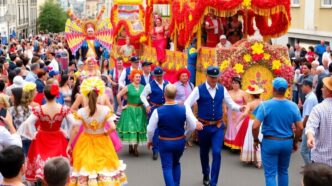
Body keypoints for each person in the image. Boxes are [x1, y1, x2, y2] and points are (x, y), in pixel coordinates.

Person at [184, 66, 245, 186]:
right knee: (204, 152)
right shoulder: (199, 89)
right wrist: (194, 121)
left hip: (217, 127)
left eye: (216, 77)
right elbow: (186, 104)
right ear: (206, 76)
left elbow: (231, 104)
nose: (214, 80)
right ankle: (206, 173)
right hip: (204, 127)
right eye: (211, 77)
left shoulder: (222, 89)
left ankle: (214, 182)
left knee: (217, 152)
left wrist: (239, 108)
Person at [68, 77, 127, 185]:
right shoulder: (105, 110)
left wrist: (69, 144)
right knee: (104, 167)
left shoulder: (81, 111)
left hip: (85, 141)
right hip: (102, 140)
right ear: (98, 94)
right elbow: (113, 127)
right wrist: (106, 133)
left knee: (86, 168)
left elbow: (76, 130)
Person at [147, 84, 203, 186]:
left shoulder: (158, 111)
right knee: (176, 163)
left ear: (164, 95)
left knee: (167, 166)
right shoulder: (184, 109)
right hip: (179, 141)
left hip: (165, 141)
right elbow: (192, 126)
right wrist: (186, 136)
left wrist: (150, 140)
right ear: (176, 94)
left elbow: (150, 129)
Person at [252, 77, 303, 186]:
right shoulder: (293, 106)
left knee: (270, 174)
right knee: (283, 171)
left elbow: (255, 126)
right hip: (287, 142)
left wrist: (255, 139)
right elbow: (300, 127)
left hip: (270, 142)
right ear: (285, 90)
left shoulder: (265, 105)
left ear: (274, 89)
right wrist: (295, 142)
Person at [18, 84, 71, 182]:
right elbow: (74, 123)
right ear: (56, 95)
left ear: (44, 95)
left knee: (41, 166)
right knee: (59, 167)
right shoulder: (63, 109)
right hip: (58, 138)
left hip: (42, 139)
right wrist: (67, 133)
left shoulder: (39, 109)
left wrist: (32, 134)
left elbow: (27, 123)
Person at [140, 67, 169, 160]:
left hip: (165, 108)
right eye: (157, 76)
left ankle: (164, 148)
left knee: (165, 128)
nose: (159, 77)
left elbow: (172, 94)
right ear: (154, 76)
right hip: (154, 109)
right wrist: (147, 105)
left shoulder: (168, 84)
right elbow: (142, 96)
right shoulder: (150, 85)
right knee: (155, 130)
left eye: (160, 76)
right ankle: (155, 150)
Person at [117, 70, 147, 156]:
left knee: (138, 128)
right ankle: (131, 145)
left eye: (139, 77)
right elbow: (118, 96)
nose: (138, 78)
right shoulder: (128, 87)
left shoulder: (143, 87)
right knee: (131, 128)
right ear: (132, 78)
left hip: (140, 110)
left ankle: (135, 148)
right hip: (130, 110)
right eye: (136, 77)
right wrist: (121, 106)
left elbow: (146, 97)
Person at [306, 76, 332, 166]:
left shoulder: (318, 108)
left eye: (323, 87)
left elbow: (310, 126)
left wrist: (310, 137)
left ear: (328, 91)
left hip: (321, 159)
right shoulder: (318, 108)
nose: (321, 89)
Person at [238, 85, 263, 168]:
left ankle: (250, 158)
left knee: (251, 139)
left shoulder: (250, 104)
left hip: (252, 122)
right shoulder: (263, 102)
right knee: (260, 139)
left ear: (251, 95)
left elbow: (245, 114)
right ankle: (260, 160)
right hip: (261, 123)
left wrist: (238, 121)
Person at [224, 77, 247, 150]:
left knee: (239, 127)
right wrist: (225, 109)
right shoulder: (229, 92)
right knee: (231, 127)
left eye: (236, 83)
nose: (234, 85)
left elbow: (246, 104)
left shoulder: (243, 93)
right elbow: (225, 102)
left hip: (240, 113)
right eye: (233, 83)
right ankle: (231, 144)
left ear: (239, 84)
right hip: (231, 113)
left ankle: (239, 144)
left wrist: (245, 111)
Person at [300, 80, 318, 165]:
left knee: (303, 151)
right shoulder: (311, 97)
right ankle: (311, 165)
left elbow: (307, 116)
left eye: (302, 86)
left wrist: (302, 126)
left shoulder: (310, 98)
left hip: (308, 127)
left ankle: (310, 168)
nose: (301, 88)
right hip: (310, 126)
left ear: (307, 86)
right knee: (309, 150)